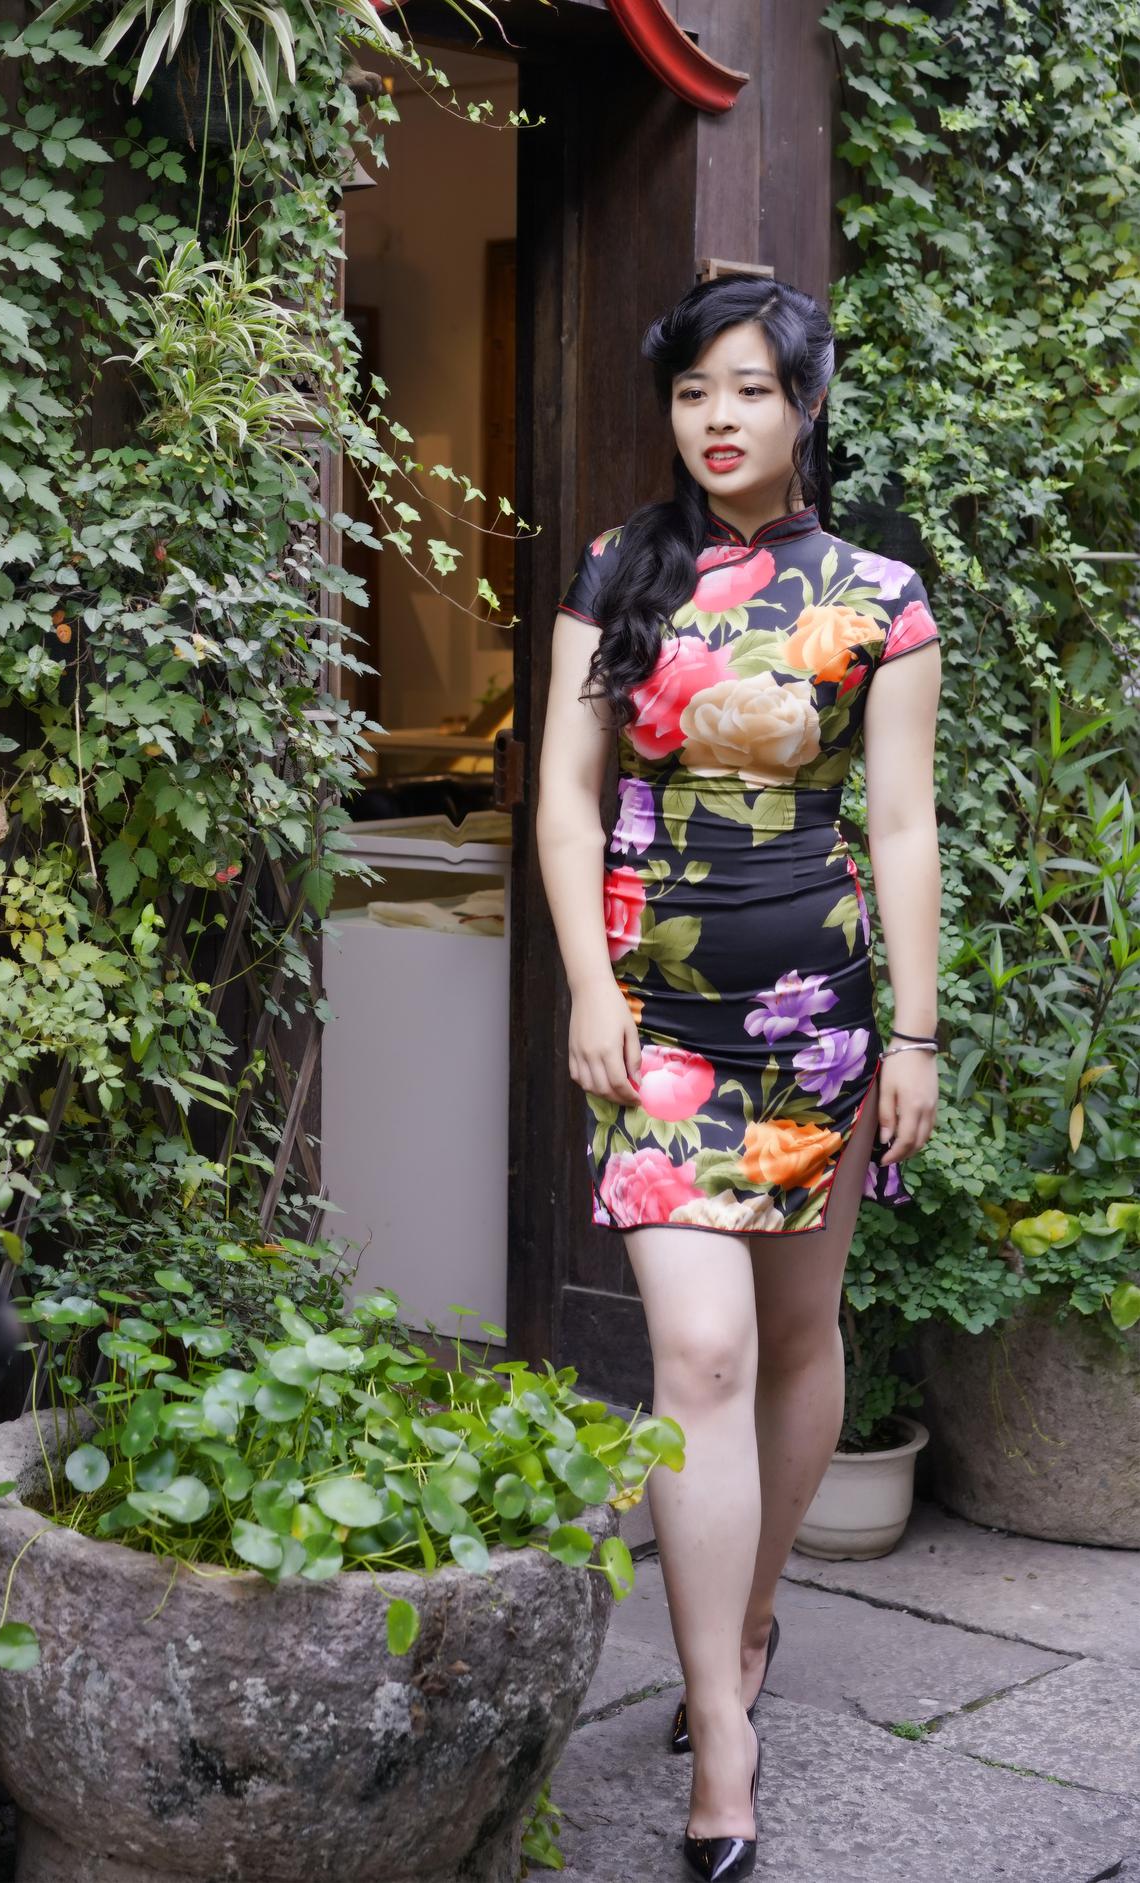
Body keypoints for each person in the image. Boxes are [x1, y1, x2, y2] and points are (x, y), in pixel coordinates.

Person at [535, 275, 941, 1880]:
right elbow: (566, 800)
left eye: (751, 388)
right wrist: (587, 986)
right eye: (695, 389)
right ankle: (722, 1735)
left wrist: (916, 1034)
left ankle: (753, 1614)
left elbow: (900, 824)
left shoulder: (880, 597)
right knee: (697, 1354)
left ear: (806, 404)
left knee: (794, 1337)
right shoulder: (618, 570)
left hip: (820, 1026)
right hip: (656, 1026)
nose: (718, 417)